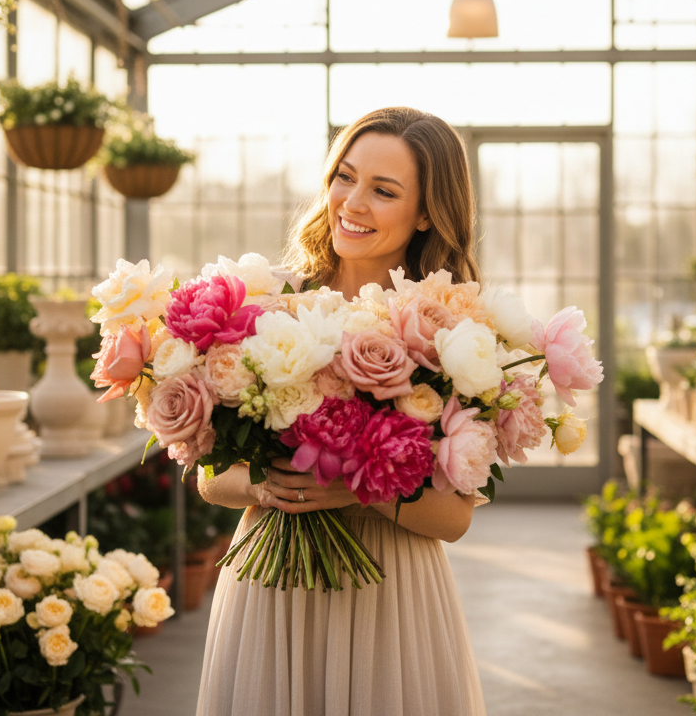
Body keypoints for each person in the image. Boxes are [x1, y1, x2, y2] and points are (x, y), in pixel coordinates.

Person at [195, 107, 488, 716]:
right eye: (344, 177)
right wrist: (264, 482)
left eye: (383, 191)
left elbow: (454, 519)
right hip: (271, 589)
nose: (352, 202)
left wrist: (356, 489)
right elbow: (209, 477)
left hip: (391, 594)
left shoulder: (451, 329)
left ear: (428, 211)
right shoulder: (263, 303)